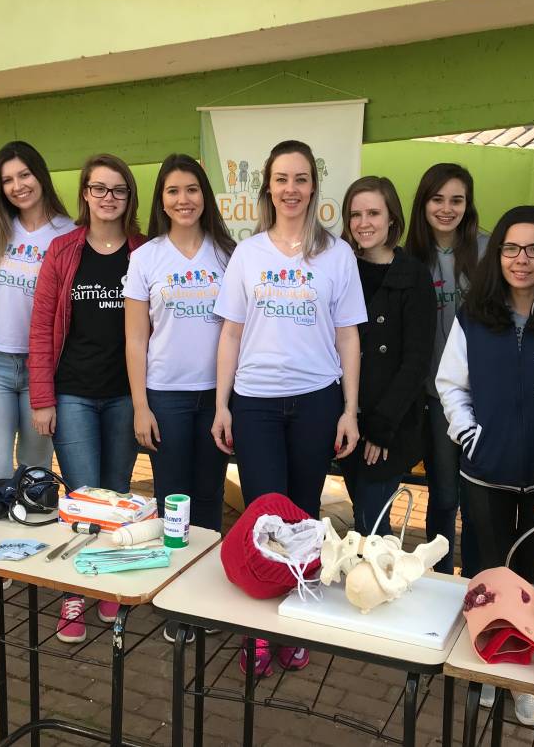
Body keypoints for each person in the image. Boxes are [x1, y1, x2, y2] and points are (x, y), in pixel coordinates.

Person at [212, 140, 366, 676]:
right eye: (281, 179)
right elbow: (230, 334)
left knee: (302, 515)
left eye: (301, 179)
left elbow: (348, 337)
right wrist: (222, 405)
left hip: (317, 402)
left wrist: (349, 410)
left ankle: (295, 620)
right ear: (268, 188)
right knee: (263, 515)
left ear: (314, 188)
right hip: (255, 403)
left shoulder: (337, 255)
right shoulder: (248, 254)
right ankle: (258, 629)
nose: (291, 189)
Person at [29, 154, 146, 643]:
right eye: (99, 188)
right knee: (81, 497)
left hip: (125, 396)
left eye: (118, 190)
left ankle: (108, 580)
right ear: (85, 193)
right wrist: (42, 398)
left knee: (116, 494)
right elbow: (41, 326)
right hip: (73, 392)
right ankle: (74, 591)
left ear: (129, 196)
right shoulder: (63, 250)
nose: (108, 198)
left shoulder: (144, 251)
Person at [124, 155, 234, 641]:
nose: (183, 199)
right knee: (173, 498)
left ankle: (205, 596)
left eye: (192, 189)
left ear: (204, 196)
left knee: (210, 497)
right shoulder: (147, 258)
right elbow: (135, 339)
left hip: (216, 396)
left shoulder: (228, 254)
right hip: (165, 395)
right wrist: (141, 405)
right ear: (161, 200)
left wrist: (229, 402)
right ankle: (174, 596)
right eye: (173, 191)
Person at [437, 205, 534, 583]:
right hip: (485, 476)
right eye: (511, 248)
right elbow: (451, 384)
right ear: (497, 253)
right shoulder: (474, 317)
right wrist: (471, 437)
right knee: (485, 578)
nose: (521, 260)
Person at [0, 141, 73, 490]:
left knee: (36, 473)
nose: (18, 186)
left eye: (24, 175)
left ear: (40, 175)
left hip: (42, 369)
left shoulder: (70, 233)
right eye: (7, 180)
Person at [338, 176, 434, 538]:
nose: (364, 223)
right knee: (363, 516)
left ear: (392, 217)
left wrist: (381, 427)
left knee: (371, 524)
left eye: (373, 213)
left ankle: (382, 573)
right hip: (345, 420)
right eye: (355, 214)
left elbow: (416, 361)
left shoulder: (413, 275)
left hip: (388, 425)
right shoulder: (342, 268)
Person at [405, 162, 489, 575]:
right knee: (442, 496)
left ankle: (475, 581)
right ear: (423, 203)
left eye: (457, 200)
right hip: (435, 398)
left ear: (468, 205)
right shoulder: (410, 259)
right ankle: (436, 579)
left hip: (485, 397)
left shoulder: (489, 250)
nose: (446, 208)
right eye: (437, 199)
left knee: (477, 498)